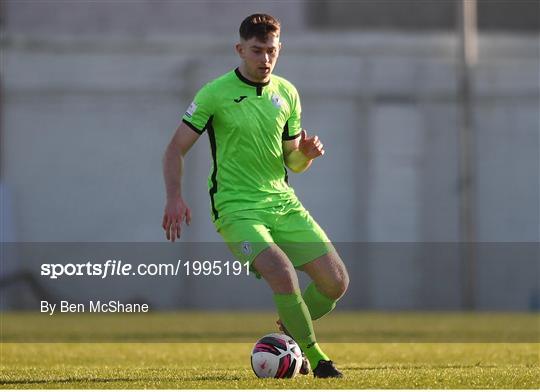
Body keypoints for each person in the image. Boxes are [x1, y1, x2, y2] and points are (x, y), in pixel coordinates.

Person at [162, 13, 349, 378]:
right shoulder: (214, 94)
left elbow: (291, 162)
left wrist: (305, 156)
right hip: (235, 209)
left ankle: (290, 327)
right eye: (257, 50)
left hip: (282, 203)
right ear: (240, 49)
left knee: (336, 283)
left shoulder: (287, 93)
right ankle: (317, 359)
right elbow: (174, 150)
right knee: (280, 271)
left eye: (272, 51)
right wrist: (174, 197)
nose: (265, 59)